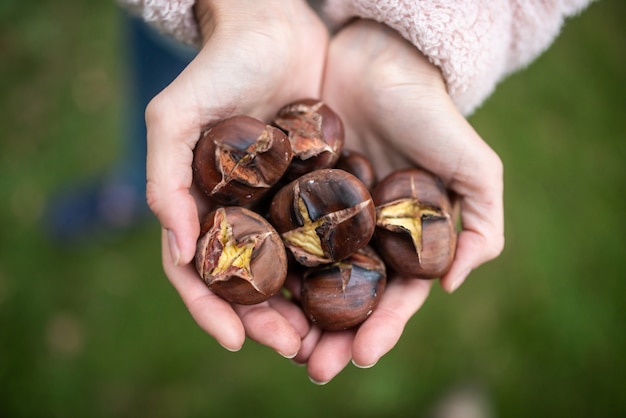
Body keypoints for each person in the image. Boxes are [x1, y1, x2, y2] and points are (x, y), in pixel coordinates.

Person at [116, 0, 592, 384]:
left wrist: (425, 30)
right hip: (210, 35)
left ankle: (123, 190)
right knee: (165, 132)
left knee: (167, 139)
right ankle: (124, 190)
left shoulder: (331, 197)